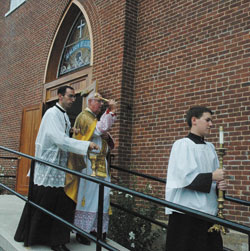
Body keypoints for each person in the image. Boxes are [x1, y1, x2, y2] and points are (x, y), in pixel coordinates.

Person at [14, 85, 99, 251]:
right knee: (49, 205)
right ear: (60, 96)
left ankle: (53, 240)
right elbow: (59, 140)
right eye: (70, 96)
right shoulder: (52, 114)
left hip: (58, 168)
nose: (73, 100)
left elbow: (61, 134)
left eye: (74, 97)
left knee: (56, 206)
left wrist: (71, 130)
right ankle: (49, 240)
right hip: (48, 168)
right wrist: (86, 144)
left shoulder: (63, 115)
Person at [165, 106, 227, 251]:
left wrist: (220, 187)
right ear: (194, 120)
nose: (211, 124)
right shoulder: (182, 145)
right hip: (187, 214)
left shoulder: (211, 147)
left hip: (209, 212)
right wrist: (212, 176)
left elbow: (215, 179)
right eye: (207, 120)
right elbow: (182, 179)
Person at [65, 91, 117, 245]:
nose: (101, 105)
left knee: (103, 196)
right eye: (98, 102)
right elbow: (99, 130)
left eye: (102, 102)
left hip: (100, 163)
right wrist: (111, 111)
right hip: (89, 164)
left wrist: (107, 137)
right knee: (89, 197)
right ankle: (82, 231)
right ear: (90, 102)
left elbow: (102, 133)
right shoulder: (84, 116)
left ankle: (97, 229)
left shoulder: (94, 118)